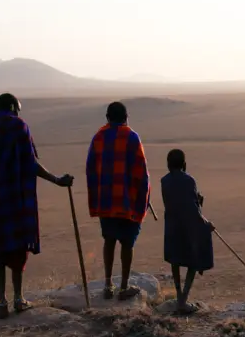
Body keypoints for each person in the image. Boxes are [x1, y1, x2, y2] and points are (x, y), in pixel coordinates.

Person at [0, 93, 74, 319]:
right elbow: (31, 163)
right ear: (12, 106)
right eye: (18, 109)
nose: (18, 113)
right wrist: (58, 180)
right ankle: (18, 299)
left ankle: (1, 302)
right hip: (13, 198)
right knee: (17, 247)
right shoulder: (17, 125)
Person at [86, 102, 150, 301]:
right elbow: (141, 170)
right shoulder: (132, 137)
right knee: (127, 243)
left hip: (106, 201)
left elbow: (90, 169)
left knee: (109, 240)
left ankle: (107, 284)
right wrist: (144, 196)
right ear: (126, 117)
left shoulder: (99, 137)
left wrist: (97, 194)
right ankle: (123, 287)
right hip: (127, 200)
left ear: (107, 117)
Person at [161, 148, 215, 315]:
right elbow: (192, 208)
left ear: (168, 165)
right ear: (184, 164)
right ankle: (183, 300)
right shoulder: (189, 180)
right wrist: (207, 224)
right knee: (193, 261)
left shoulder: (164, 181)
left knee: (175, 261)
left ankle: (179, 296)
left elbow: (172, 203)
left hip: (172, 226)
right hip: (187, 227)